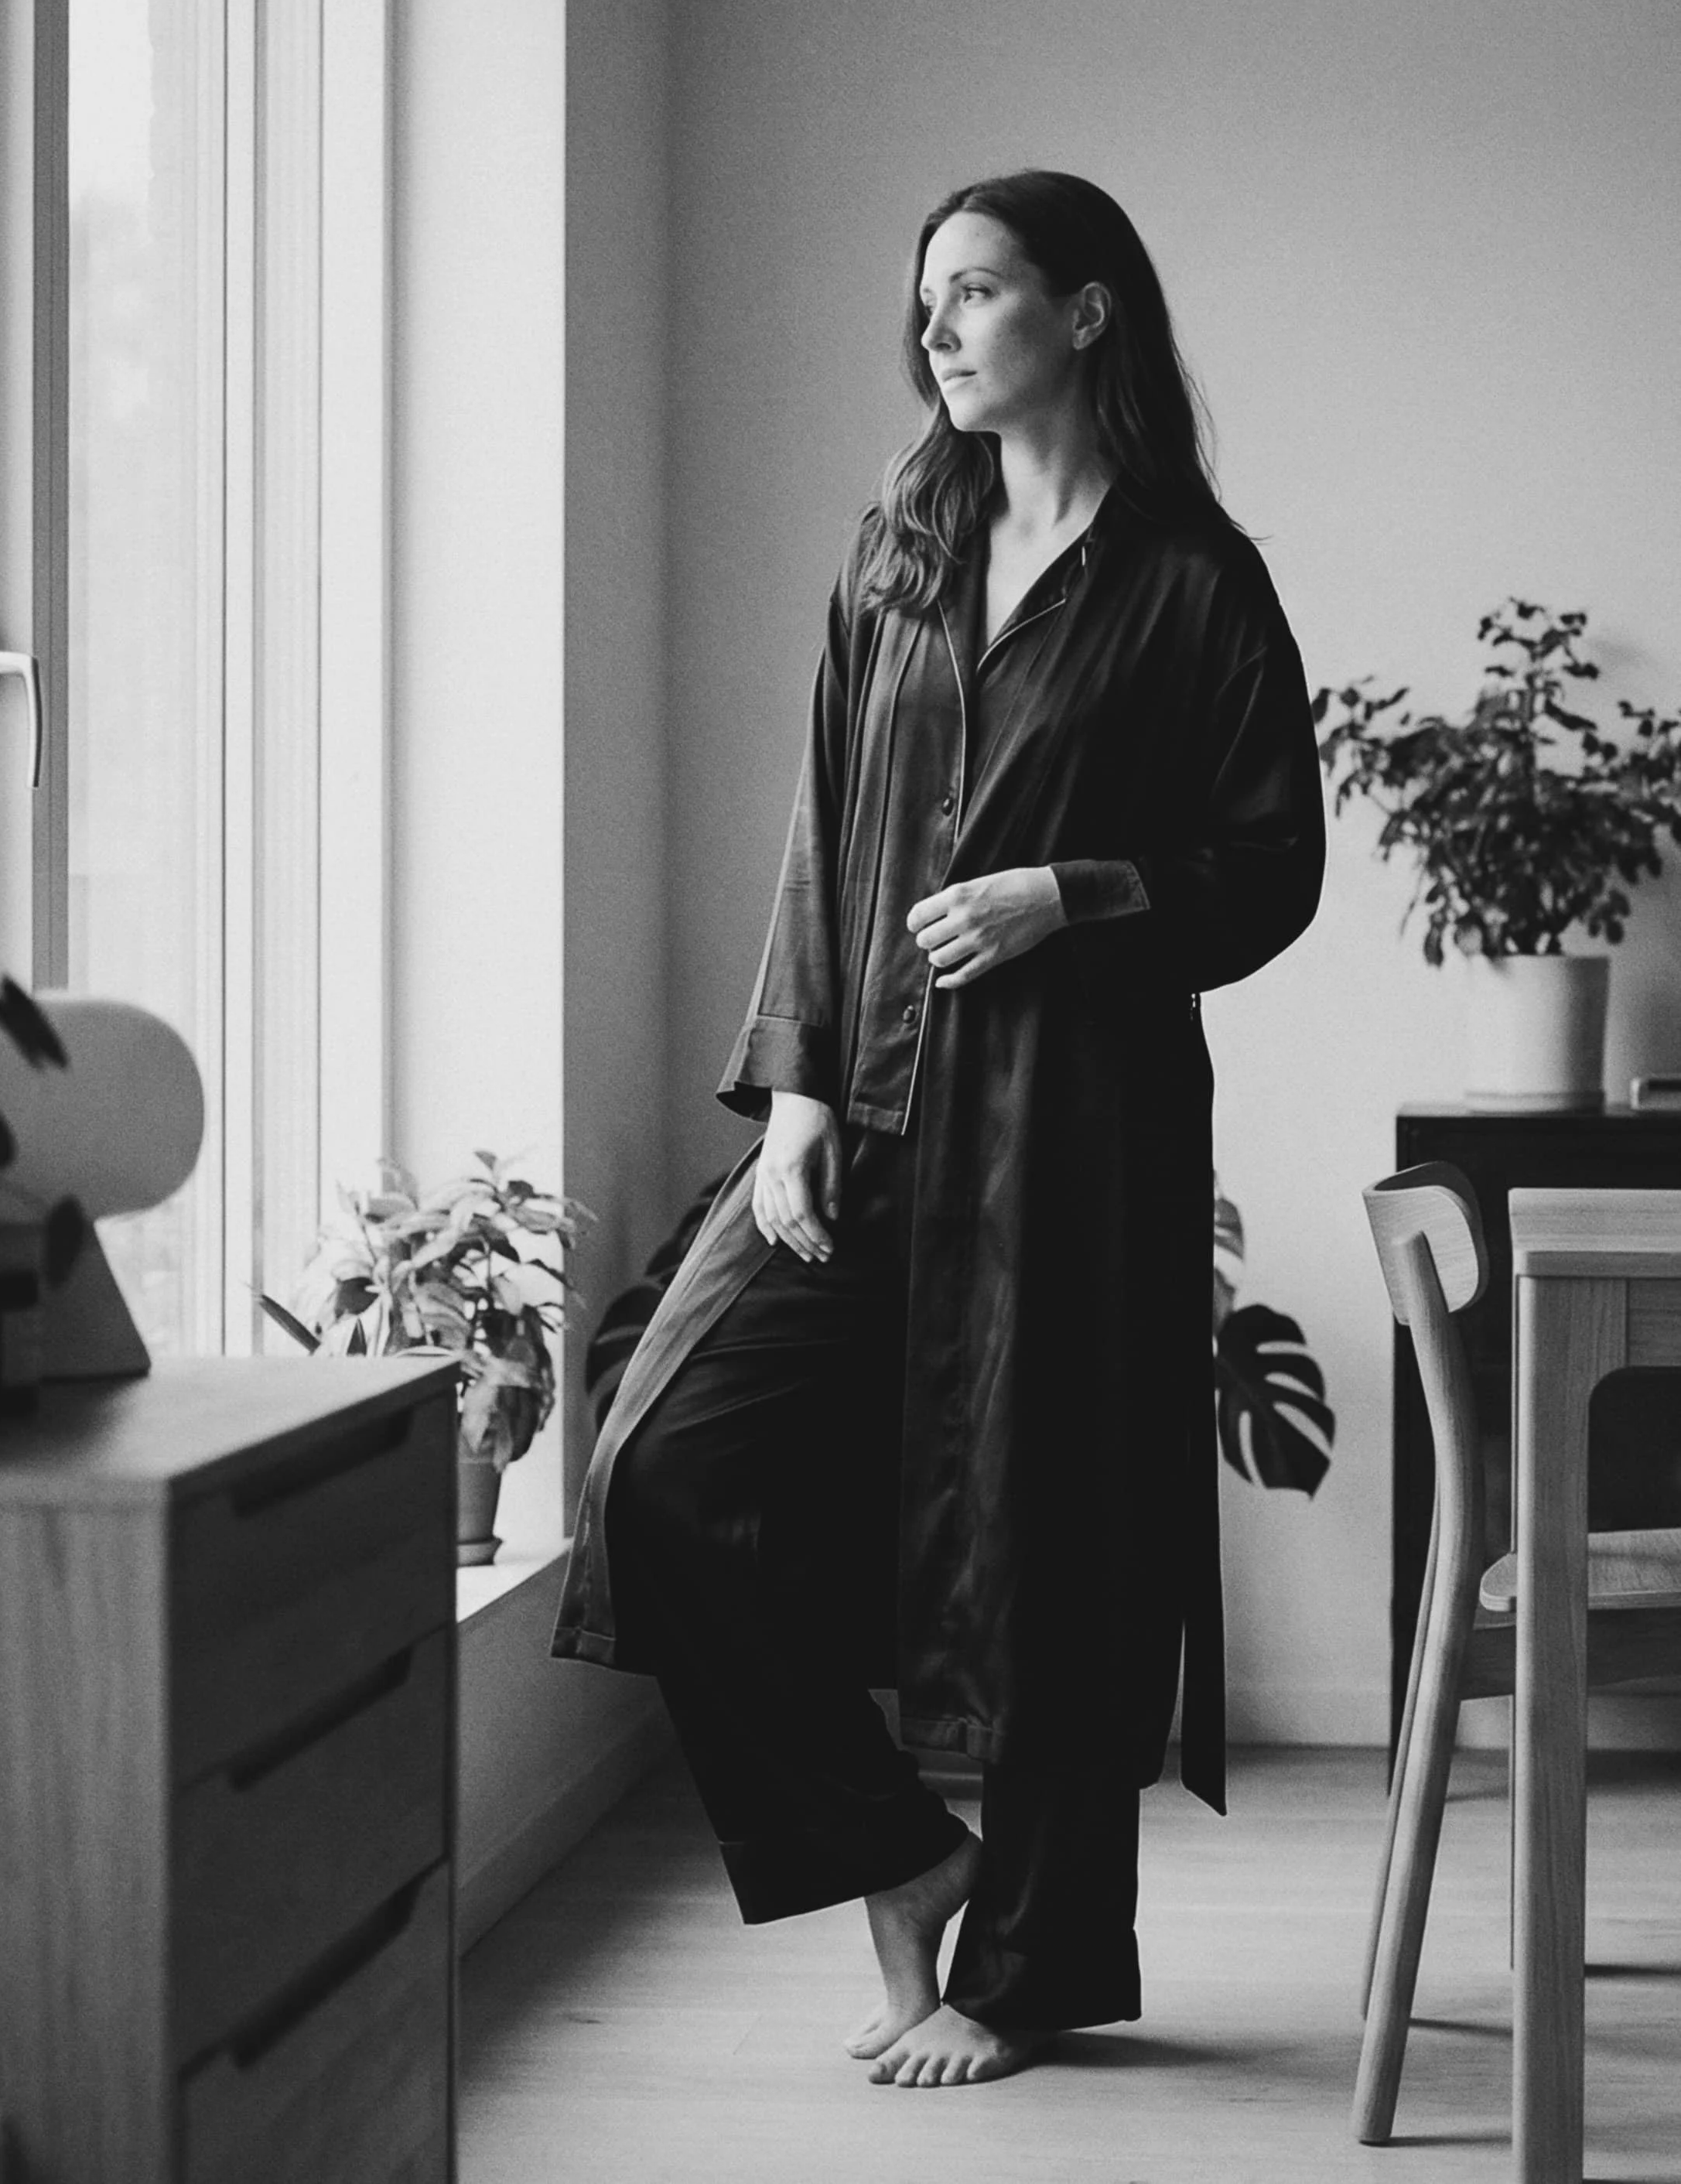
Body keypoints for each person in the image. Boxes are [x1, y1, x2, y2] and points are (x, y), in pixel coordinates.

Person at [551, 170, 1325, 2087]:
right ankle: (900, 1852)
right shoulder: (896, 540)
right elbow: (822, 825)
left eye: (974, 294)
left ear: (1083, 313)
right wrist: (797, 1097)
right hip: (872, 1109)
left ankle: (1032, 1964)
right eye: (924, 302)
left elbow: (1270, 865)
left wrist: (1077, 892)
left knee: (1056, 1536)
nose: (938, 329)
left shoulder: (1188, 578)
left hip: (1073, 1133)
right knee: (659, 1454)